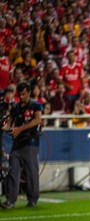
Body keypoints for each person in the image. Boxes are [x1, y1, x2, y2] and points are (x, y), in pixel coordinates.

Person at [1, 81, 43, 209]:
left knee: (31, 173)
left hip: (31, 143)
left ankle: (32, 199)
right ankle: (10, 200)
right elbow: (11, 125)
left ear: (29, 93)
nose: (22, 96)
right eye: (20, 94)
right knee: (13, 171)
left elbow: (38, 120)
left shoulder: (35, 105)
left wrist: (21, 129)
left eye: (24, 94)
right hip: (17, 144)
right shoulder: (16, 108)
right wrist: (6, 128)